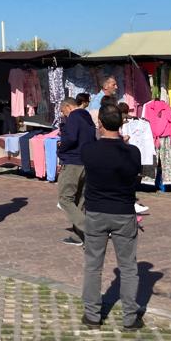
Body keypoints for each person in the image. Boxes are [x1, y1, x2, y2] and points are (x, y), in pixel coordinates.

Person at [81, 104, 144, 331]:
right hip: (124, 212)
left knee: (93, 265)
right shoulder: (133, 152)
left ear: (100, 124)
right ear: (122, 123)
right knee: (128, 267)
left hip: (96, 211)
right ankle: (129, 317)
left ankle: (92, 315)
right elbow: (135, 174)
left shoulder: (89, 150)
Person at [57, 97, 95, 247]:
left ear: (68, 106)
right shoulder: (88, 118)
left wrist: (61, 146)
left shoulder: (73, 117)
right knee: (80, 200)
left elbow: (71, 138)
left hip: (73, 162)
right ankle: (78, 236)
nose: (63, 115)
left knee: (65, 199)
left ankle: (89, 230)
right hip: (87, 161)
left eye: (62, 111)